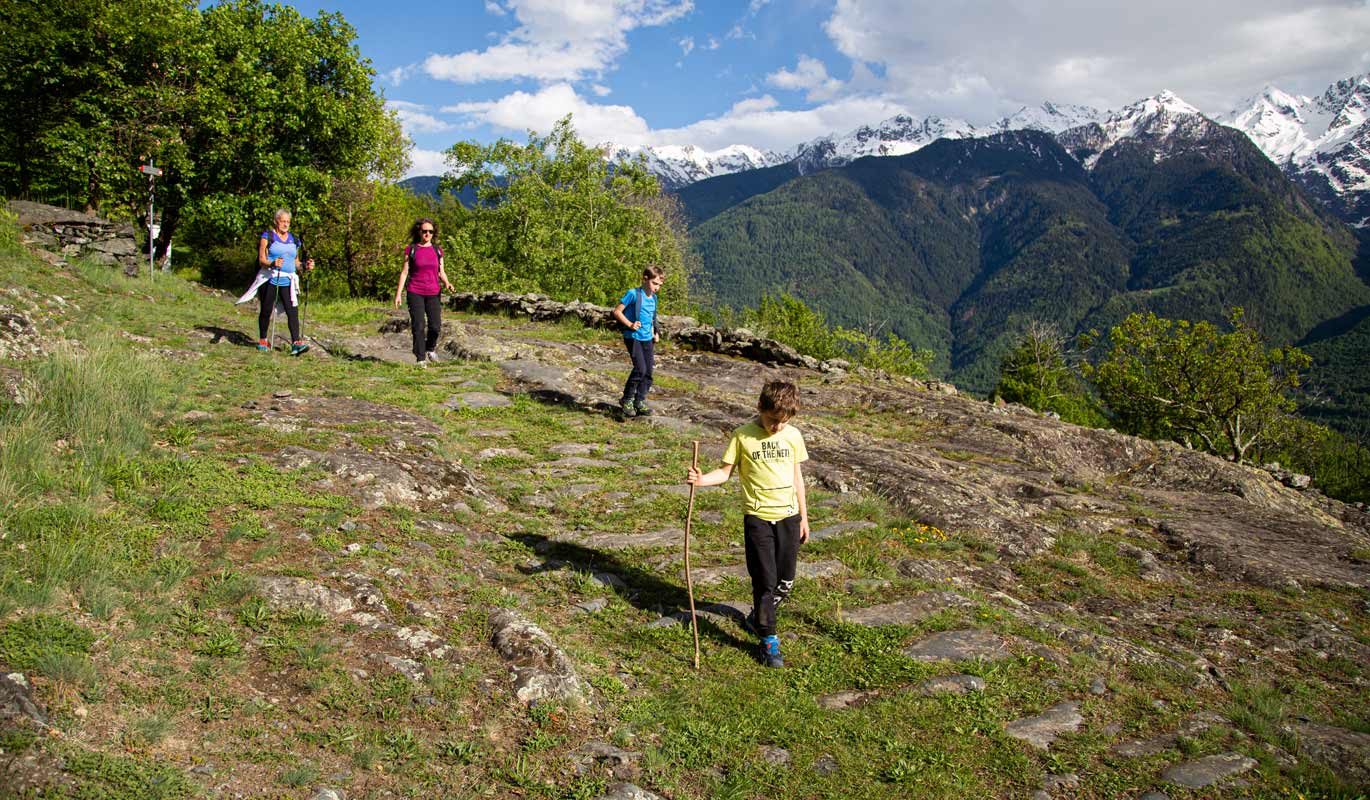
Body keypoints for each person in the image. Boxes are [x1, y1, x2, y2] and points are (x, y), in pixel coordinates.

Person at [686, 380, 810, 668]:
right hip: (758, 518)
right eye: (771, 420)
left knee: (785, 582)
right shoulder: (742, 436)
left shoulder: (793, 436)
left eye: (782, 422)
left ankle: (758, 617)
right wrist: (701, 480)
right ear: (760, 408)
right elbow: (725, 472)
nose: (776, 427)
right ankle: (769, 640)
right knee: (765, 581)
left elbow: (797, 477)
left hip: (789, 517)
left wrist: (804, 516)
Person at [235, 209, 313, 355]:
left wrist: (305, 266)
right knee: (266, 310)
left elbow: (296, 262)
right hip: (270, 278)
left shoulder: (294, 240)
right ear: (276, 221)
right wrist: (272, 263)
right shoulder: (267, 236)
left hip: (288, 280)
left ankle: (296, 343)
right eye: (283, 221)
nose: (286, 224)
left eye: (288, 222)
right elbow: (261, 260)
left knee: (292, 311)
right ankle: (263, 340)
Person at [393, 217, 455, 367]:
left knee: (435, 326)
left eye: (430, 231)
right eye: (424, 231)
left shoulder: (437, 250)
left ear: (434, 233)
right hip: (415, 291)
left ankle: (430, 348)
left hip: (434, 292)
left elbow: (441, 271)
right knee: (418, 325)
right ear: (419, 232)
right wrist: (398, 294)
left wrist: (447, 283)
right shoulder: (412, 249)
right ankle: (420, 359)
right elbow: (404, 272)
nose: (427, 234)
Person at [611, 265, 664, 417]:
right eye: (654, 283)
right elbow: (617, 311)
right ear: (645, 279)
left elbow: (652, 316)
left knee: (648, 372)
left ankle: (639, 401)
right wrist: (629, 324)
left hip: (647, 338)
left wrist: (655, 331)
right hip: (633, 337)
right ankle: (627, 399)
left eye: (659, 285)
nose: (657, 288)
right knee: (640, 369)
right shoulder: (633, 294)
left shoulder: (654, 298)